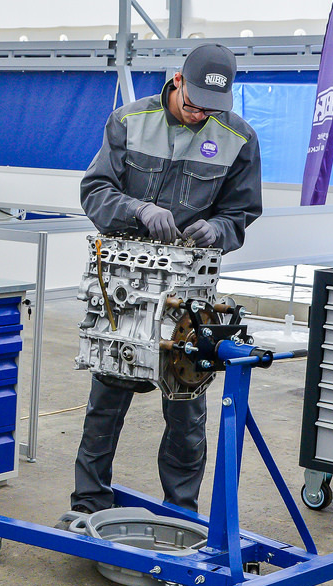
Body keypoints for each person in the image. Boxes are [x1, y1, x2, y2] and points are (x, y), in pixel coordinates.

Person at [71, 43, 262, 514]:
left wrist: (218, 227)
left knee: (186, 412)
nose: (200, 116)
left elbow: (242, 211)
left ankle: (181, 512)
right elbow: (94, 190)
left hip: (187, 300)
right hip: (127, 292)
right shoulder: (128, 121)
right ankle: (88, 503)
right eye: (194, 103)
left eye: (211, 109)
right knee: (105, 405)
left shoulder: (239, 138)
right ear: (178, 80)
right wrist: (137, 209)